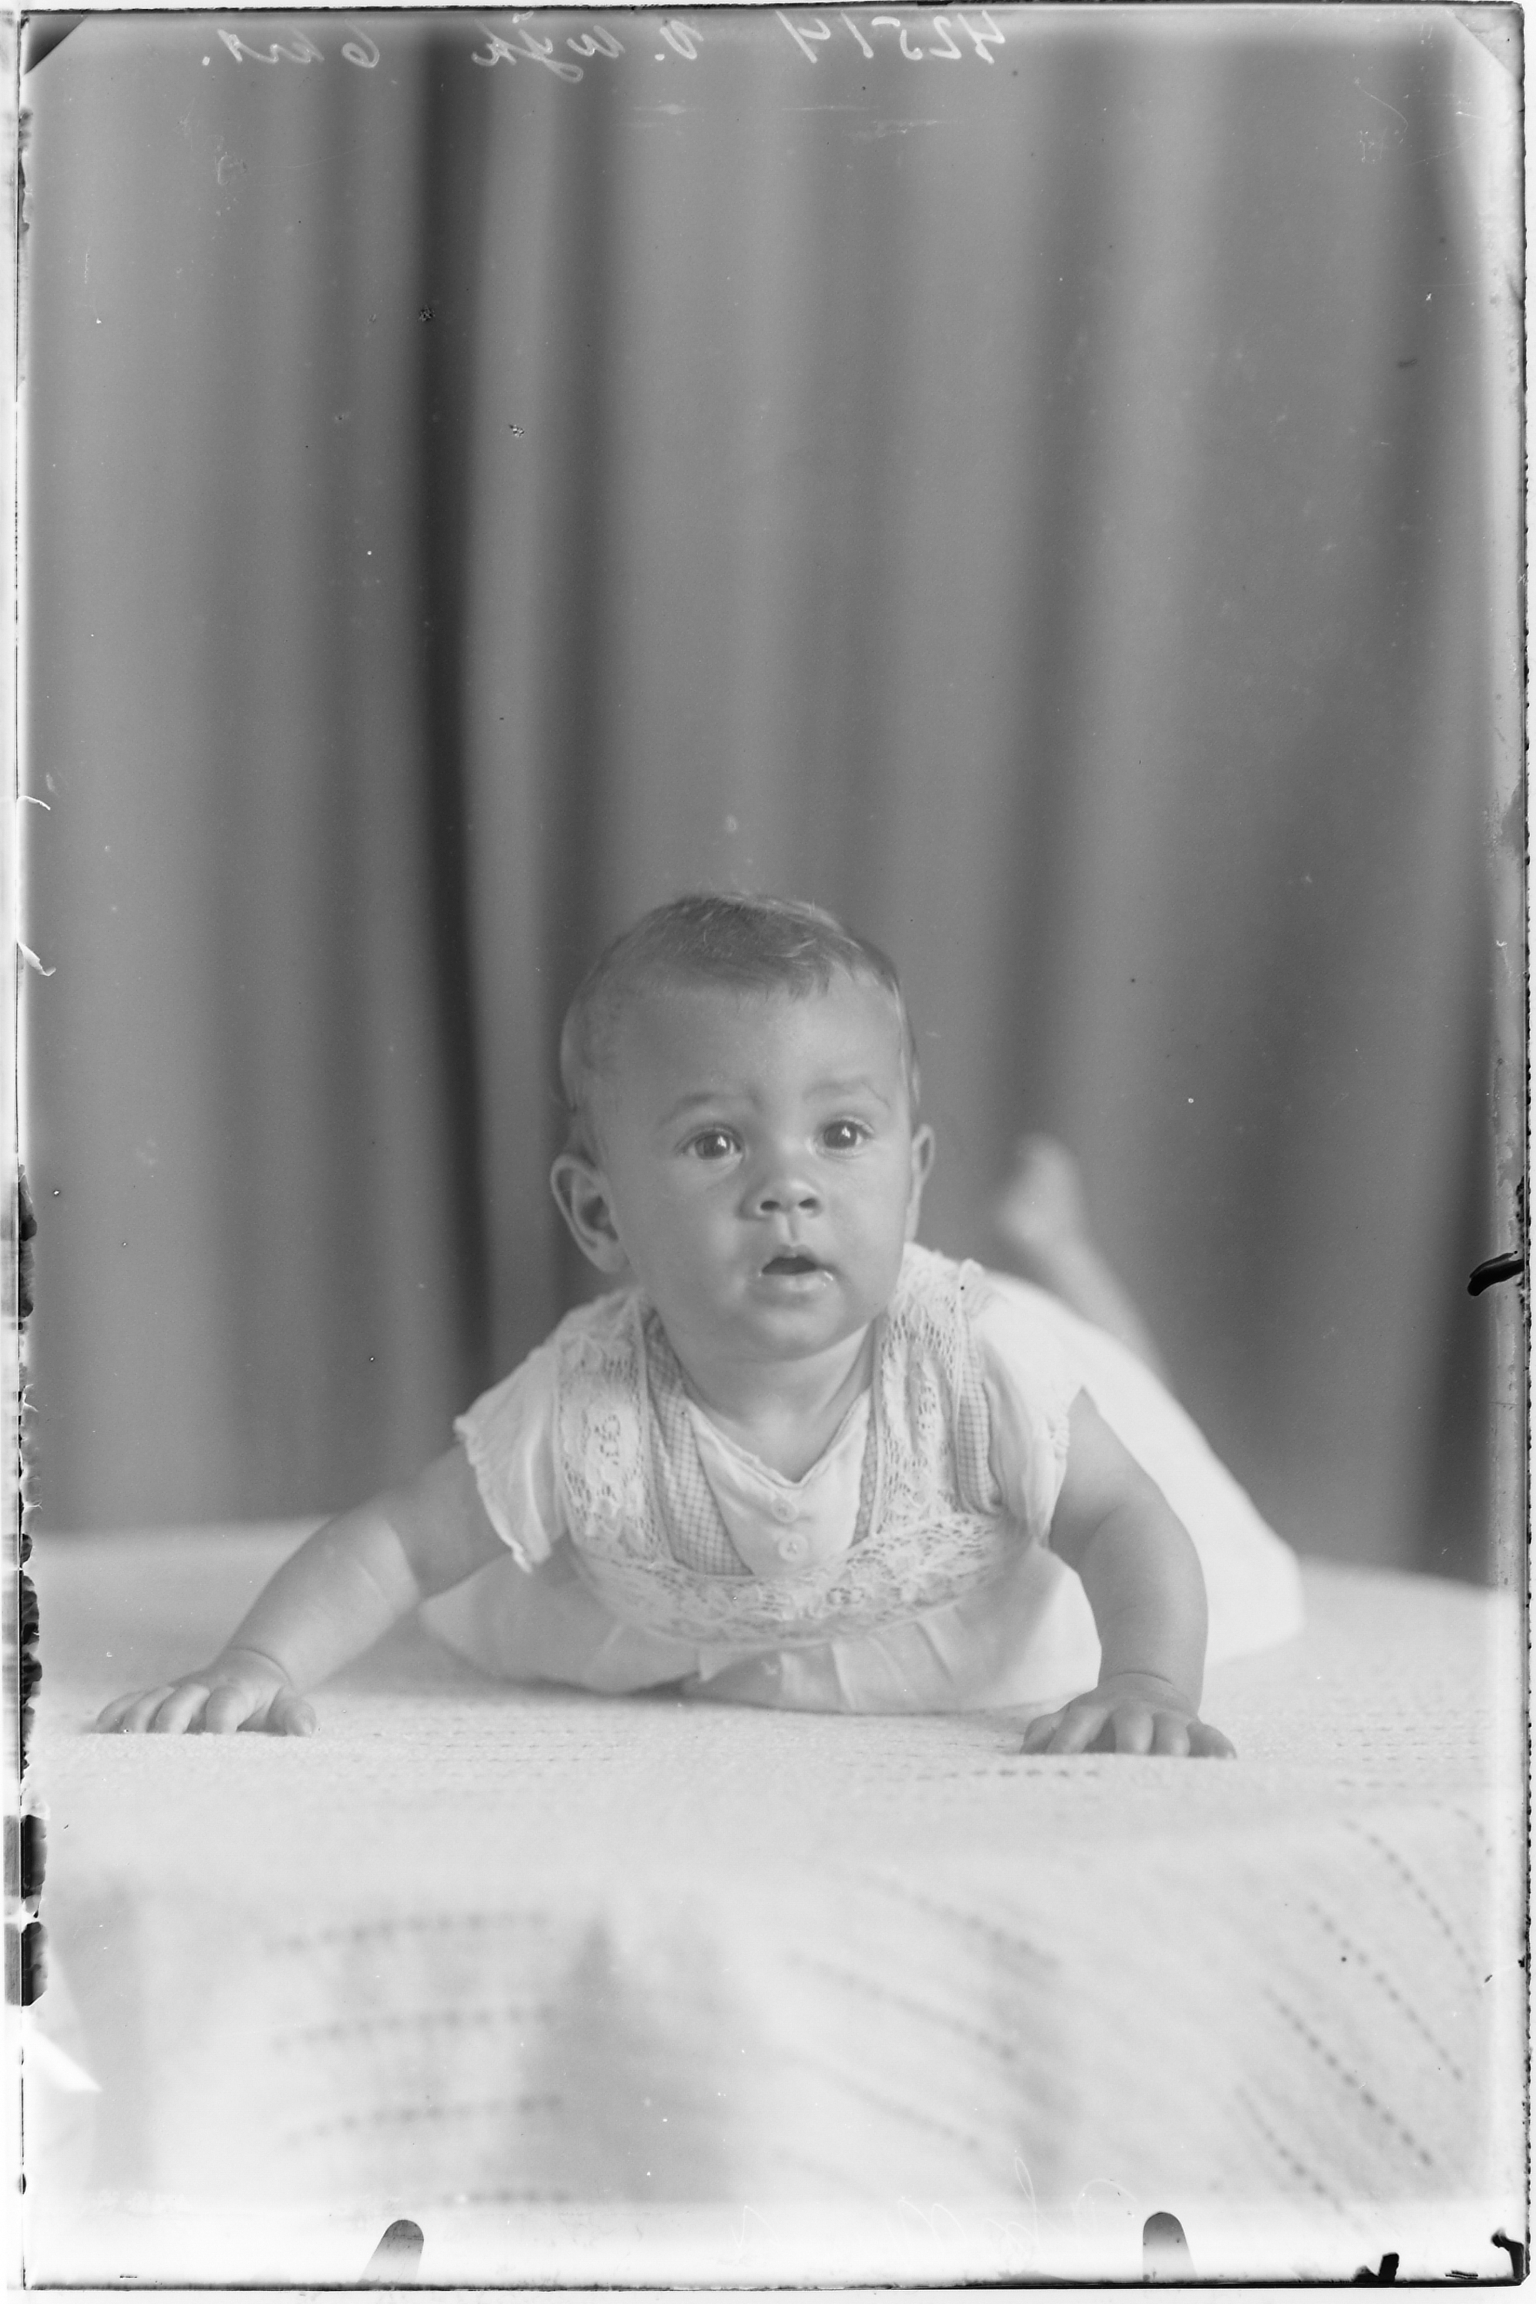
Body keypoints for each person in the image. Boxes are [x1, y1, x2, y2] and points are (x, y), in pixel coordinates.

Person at [98, 895, 1302, 1752]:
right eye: (717, 1142)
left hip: (985, 1528)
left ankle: (1061, 1254)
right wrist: (255, 1664)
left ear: (913, 1182)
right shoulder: (586, 1399)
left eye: (842, 1134)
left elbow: (1120, 1516)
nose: (790, 1188)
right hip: (689, 1598)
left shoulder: (973, 1354)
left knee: (1133, 1395)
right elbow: (399, 1547)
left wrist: (1148, 1680)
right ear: (600, 1213)